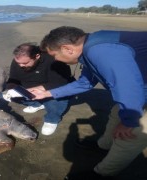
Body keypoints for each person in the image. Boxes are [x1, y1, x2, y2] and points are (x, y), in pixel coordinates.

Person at [30, 26, 147, 179]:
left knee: (132, 134)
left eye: (54, 55)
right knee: (117, 112)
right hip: (141, 85)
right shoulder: (89, 48)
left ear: (67, 49)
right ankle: (103, 147)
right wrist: (47, 93)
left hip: (138, 87)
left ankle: (102, 173)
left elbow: (128, 86)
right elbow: (85, 83)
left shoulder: (101, 51)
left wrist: (130, 122)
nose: (55, 60)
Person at [2, 43, 75, 135]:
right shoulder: (18, 61)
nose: (20, 65)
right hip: (29, 87)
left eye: (25, 63)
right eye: (18, 63)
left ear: (37, 56)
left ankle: (52, 119)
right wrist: (10, 89)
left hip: (53, 89)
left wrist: (30, 91)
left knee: (56, 101)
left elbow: (60, 83)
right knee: (5, 94)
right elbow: (13, 79)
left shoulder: (54, 60)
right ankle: (37, 104)